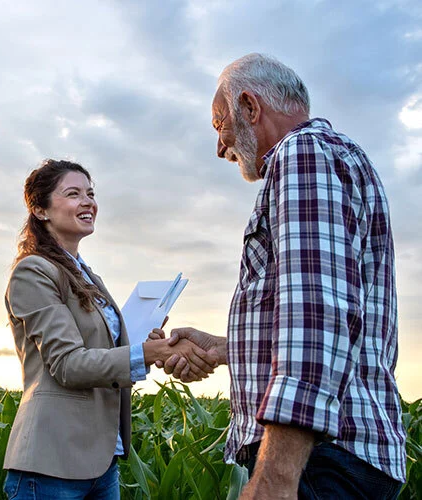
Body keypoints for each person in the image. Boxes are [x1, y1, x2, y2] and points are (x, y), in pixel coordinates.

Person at [154, 54, 406, 499]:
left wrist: (275, 478)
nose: (220, 146)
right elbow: (335, 316)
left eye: (219, 125)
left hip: (319, 462)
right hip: (331, 457)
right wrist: (223, 349)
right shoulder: (332, 156)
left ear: (250, 107)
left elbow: (316, 317)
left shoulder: (301, 153)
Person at [2, 159, 217, 499]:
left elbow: (105, 350)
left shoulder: (88, 276)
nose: (88, 201)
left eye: (90, 193)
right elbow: (68, 364)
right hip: (52, 464)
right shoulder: (33, 272)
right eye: (73, 194)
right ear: (40, 209)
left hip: (102, 463)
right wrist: (147, 353)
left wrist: (148, 340)